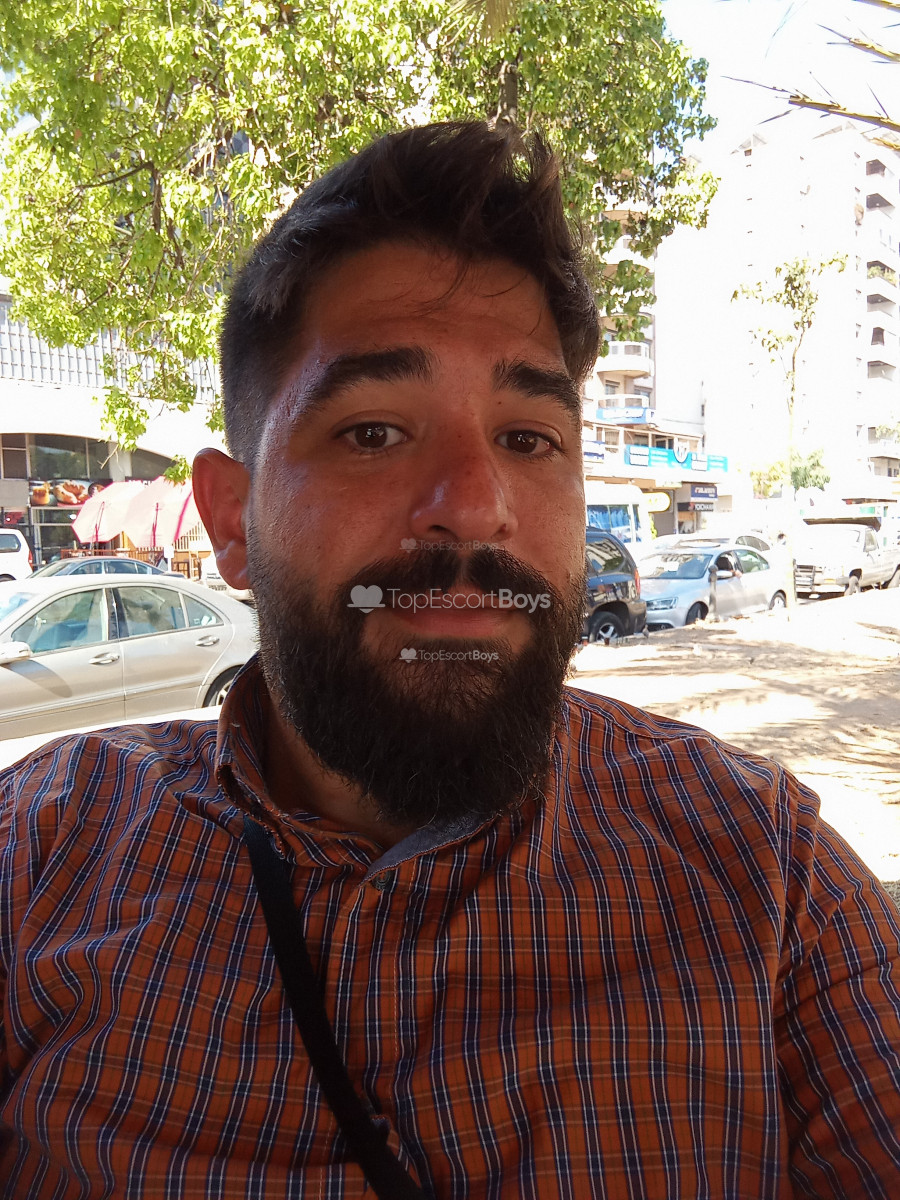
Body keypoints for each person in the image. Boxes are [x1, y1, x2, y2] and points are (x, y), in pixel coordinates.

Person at [2, 122, 900, 1199]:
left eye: (528, 439)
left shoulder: (770, 882)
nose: (477, 506)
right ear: (231, 520)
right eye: (374, 432)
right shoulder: (39, 858)